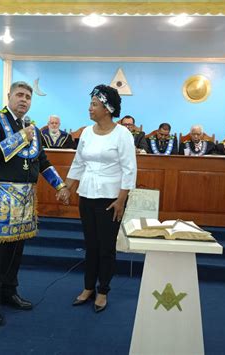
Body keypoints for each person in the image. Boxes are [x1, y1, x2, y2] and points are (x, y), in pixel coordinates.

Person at [0, 81, 70, 326]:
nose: (24, 100)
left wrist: (60, 186)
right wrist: (20, 137)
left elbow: (43, 161)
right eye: (19, 95)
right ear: (9, 96)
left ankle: (8, 292)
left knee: (17, 251)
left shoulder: (34, 130)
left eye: (28, 97)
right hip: (1, 197)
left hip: (26, 198)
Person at [64, 84, 137, 313]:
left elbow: (129, 169)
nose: (90, 108)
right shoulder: (86, 132)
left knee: (106, 248)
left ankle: (103, 290)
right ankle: (88, 288)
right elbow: (78, 163)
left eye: (94, 105)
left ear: (107, 109)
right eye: (90, 104)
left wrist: (121, 200)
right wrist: (67, 187)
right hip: (86, 195)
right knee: (91, 246)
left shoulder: (122, 134)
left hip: (111, 200)